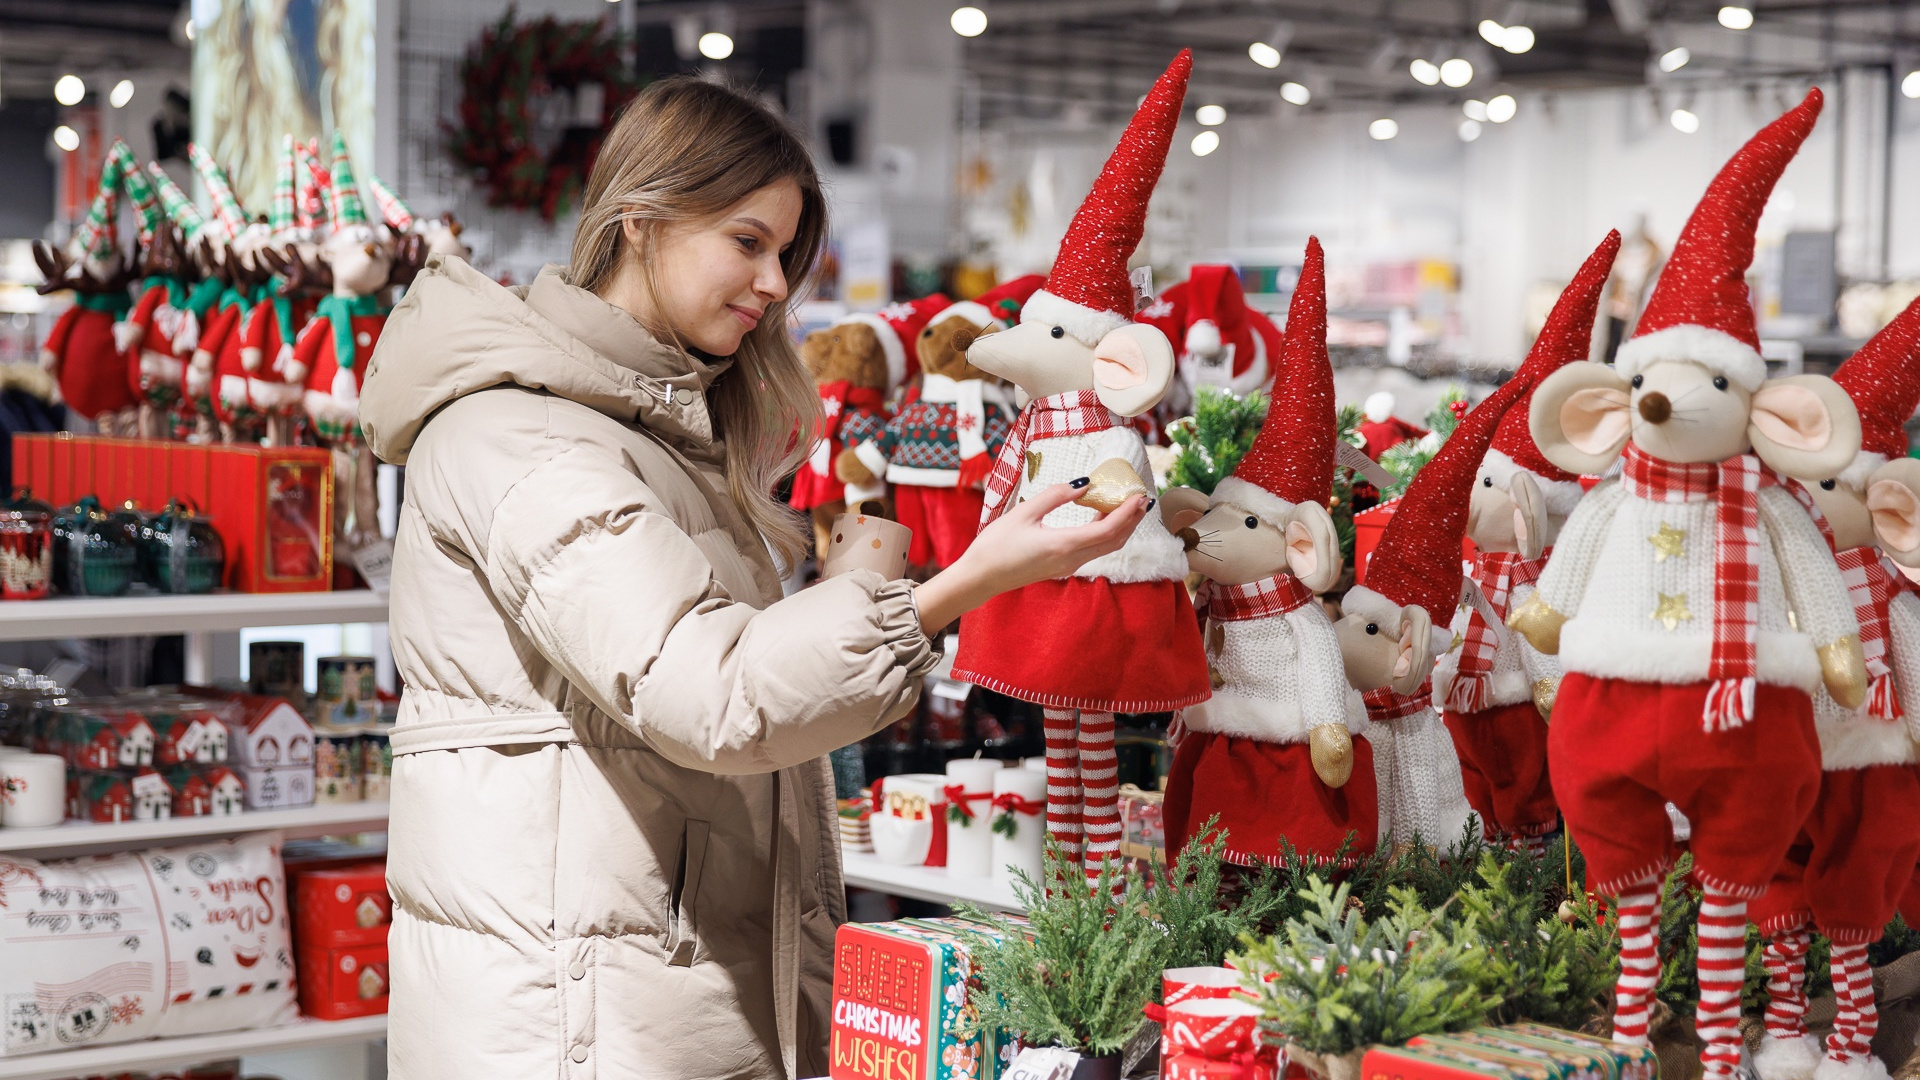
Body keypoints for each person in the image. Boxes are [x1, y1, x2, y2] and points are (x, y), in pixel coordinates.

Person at [359, 78, 1150, 1080]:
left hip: (638, 986)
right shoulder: (526, 436)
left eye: (785, 253)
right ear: (639, 223)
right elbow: (715, 695)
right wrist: (970, 580)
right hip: (576, 1023)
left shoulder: (651, 435)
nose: (776, 283)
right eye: (747, 241)